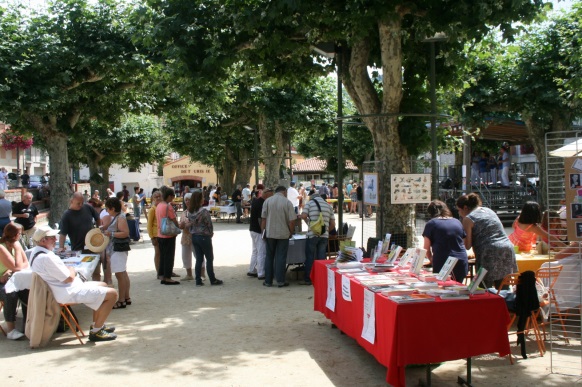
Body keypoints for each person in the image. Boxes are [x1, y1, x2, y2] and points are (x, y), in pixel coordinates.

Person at [29, 226, 119, 341]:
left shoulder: (36, 253)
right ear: (43, 240)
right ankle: (96, 331)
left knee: (103, 285)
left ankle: (97, 325)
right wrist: (72, 269)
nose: (55, 240)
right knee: (112, 294)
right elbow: (69, 278)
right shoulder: (46, 258)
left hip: (65, 289)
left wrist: (69, 270)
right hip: (68, 292)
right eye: (52, 238)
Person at [456, 193, 517, 288]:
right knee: (503, 287)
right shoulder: (489, 210)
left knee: (483, 287)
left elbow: (467, 245)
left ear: (465, 208)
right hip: (507, 247)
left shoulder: (468, 219)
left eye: (459, 210)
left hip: (489, 251)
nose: (459, 213)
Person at [422, 200, 468, 282]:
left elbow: (426, 249)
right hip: (460, 260)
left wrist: (432, 260)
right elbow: (463, 242)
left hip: (442, 261)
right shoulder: (457, 222)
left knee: (442, 288)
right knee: (458, 288)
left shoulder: (431, 224)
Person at [261, 186, 296, 288]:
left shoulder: (267, 201)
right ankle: (280, 281)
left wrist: (263, 231)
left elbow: (263, 219)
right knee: (281, 257)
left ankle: (268, 281)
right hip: (283, 233)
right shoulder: (287, 202)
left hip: (270, 233)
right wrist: (291, 231)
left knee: (269, 256)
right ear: (284, 192)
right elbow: (292, 221)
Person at [187, 191, 223, 286]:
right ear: (199, 200)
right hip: (204, 236)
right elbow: (209, 224)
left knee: (199, 259)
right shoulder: (204, 212)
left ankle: (198, 280)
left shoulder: (190, 212)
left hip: (194, 236)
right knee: (209, 258)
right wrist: (211, 233)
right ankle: (212, 278)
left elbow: (190, 224)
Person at [0, 223, 29, 339]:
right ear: (16, 235)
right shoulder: (2, 247)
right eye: (20, 234)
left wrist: (10, 271)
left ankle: (28, 324)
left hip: (11, 278)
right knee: (10, 293)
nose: (21, 236)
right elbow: (17, 267)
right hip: (2, 281)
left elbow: (26, 263)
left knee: (27, 289)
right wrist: (17, 248)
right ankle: (11, 329)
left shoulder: (17, 243)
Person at [101, 197, 131, 309]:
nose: (107, 211)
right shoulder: (119, 216)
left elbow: (125, 233)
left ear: (113, 208)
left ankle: (122, 300)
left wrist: (111, 234)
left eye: (108, 209)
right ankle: (126, 297)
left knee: (120, 274)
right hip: (118, 249)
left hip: (118, 249)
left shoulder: (120, 217)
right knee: (123, 273)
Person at [300, 191, 335, 286]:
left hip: (312, 235)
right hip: (324, 236)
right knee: (321, 258)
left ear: (312, 198)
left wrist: (310, 224)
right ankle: (321, 278)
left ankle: (308, 279)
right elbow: (333, 224)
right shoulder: (328, 206)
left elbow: (303, 215)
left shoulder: (310, 203)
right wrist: (325, 230)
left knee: (310, 257)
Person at [156, 187, 180, 285]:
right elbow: (173, 219)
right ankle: (167, 277)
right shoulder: (168, 206)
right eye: (172, 196)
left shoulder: (159, 205)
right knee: (169, 256)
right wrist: (178, 227)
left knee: (163, 256)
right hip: (168, 234)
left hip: (160, 233)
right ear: (169, 196)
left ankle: (161, 274)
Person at [247, 185, 270, 279]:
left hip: (252, 229)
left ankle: (252, 270)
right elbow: (261, 219)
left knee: (255, 251)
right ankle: (261, 273)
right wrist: (263, 231)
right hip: (258, 230)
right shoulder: (262, 203)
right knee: (261, 252)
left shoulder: (255, 201)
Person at [178, 193, 195, 281]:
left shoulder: (196, 212)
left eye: (189, 200)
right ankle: (189, 274)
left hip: (194, 236)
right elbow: (180, 224)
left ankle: (202, 274)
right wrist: (180, 225)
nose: (187, 202)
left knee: (198, 255)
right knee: (185, 256)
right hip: (185, 237)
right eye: (186, 200)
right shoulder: (183, 213)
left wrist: (189, 224)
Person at [147, 190, 163, 278]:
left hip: (163, 233)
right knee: (158, 253)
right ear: (153, 198)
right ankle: (158, 272)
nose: (158, 198)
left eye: (159, 196)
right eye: (156, 197)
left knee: (163, 253)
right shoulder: (152, 210)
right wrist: (152, 237)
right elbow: (149, 224)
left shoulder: (163, 207)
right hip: (156, 234)